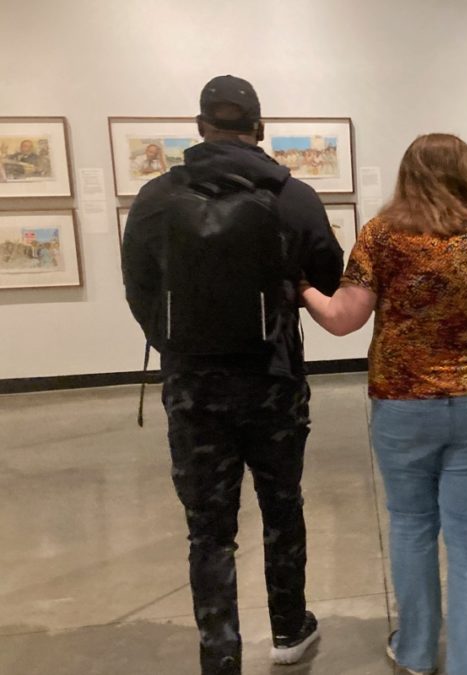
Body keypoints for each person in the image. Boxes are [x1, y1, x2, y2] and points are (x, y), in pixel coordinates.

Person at [122, 75, 343, 675]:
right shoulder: (293, 196)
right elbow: (328, 274)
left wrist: (173, 343)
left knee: (209, 530)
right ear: (259, 128)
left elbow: (138, 288)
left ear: (199, 128)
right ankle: (290, 631)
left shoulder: (156, 199)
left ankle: (220, 654)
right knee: (281, 505)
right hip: (272, 378)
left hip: (193, 386)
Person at [301, 133, 467, 675]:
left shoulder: (380, 237)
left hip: (404, 407)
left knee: (410, 525)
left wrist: (303, 290)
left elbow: (343, 319)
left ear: (407, 174)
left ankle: (417, 650)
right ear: (465, 175)